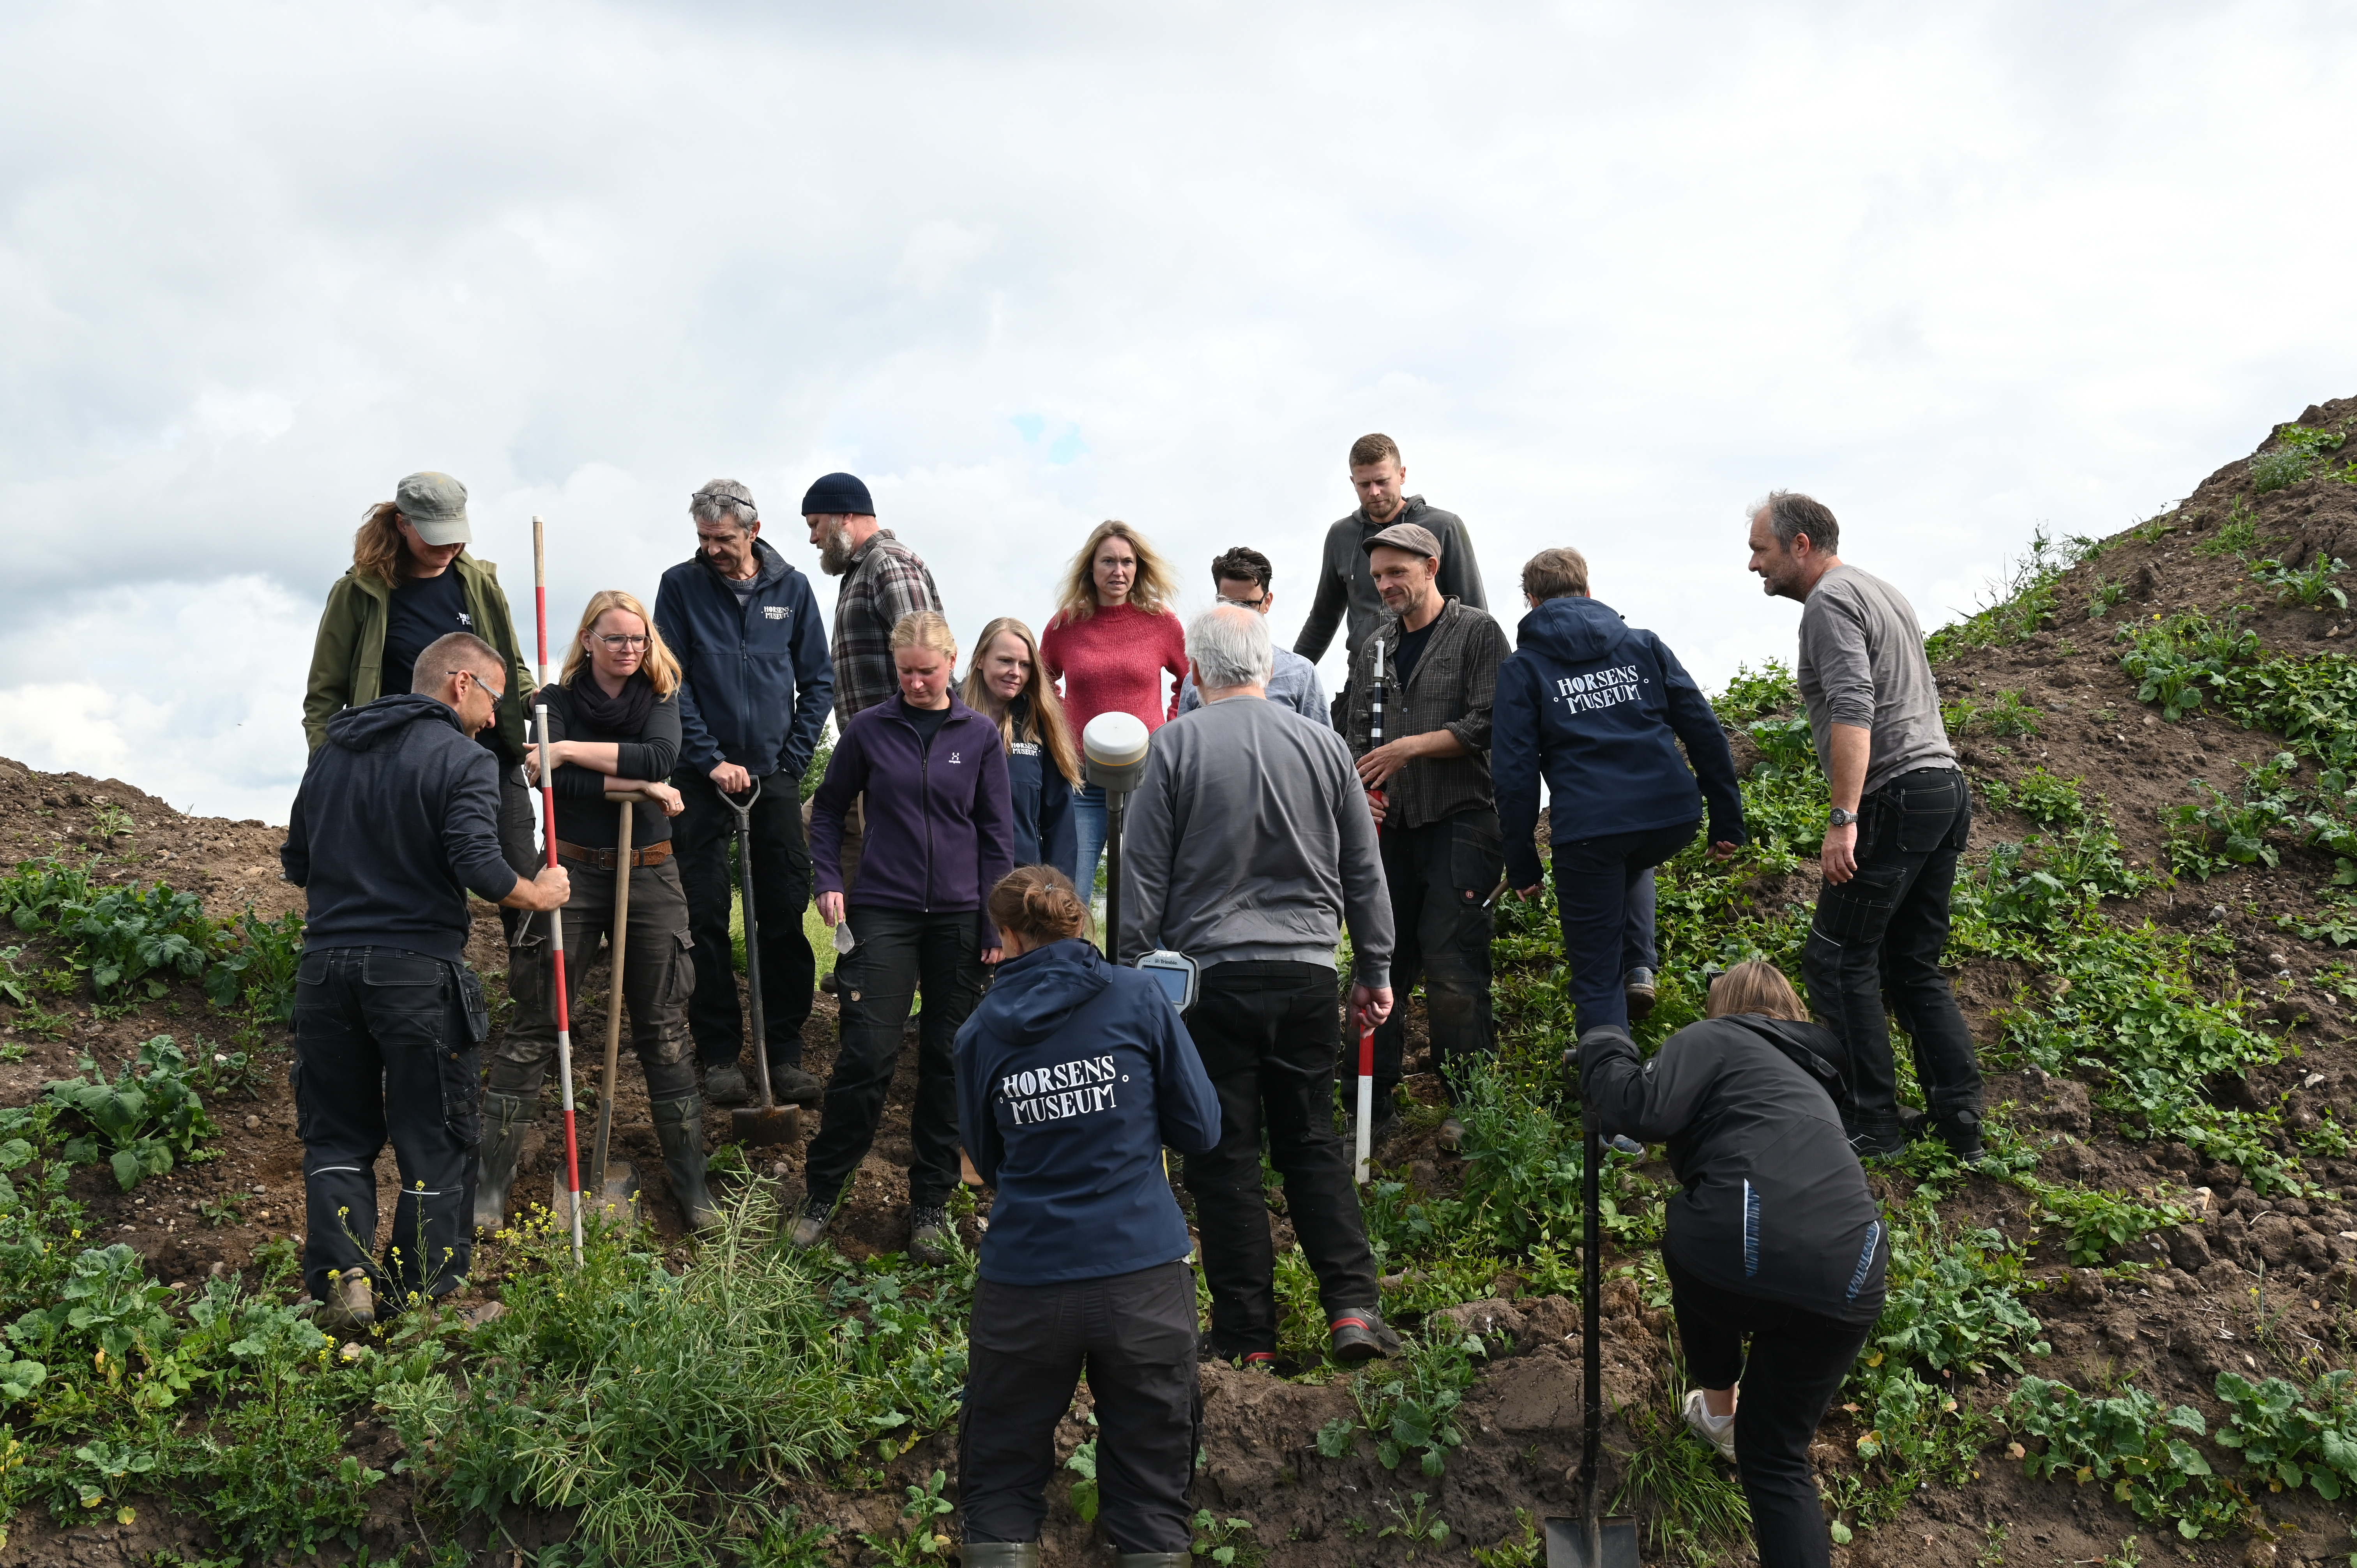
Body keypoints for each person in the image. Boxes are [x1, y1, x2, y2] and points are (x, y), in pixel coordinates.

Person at [1121, 604, 1401, 1367]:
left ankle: (1248, 1336)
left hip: (1213, 981)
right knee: (1313, 1142)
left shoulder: (1173, 747)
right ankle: (1351, 1309)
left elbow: (1141, 878)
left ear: (1199, 670)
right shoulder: (1323, 745)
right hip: (1309, 974)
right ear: (1268, 664)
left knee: (1226, 1156)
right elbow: (1363, 869)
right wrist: (1374, 966)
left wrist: (1133, 975)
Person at [281, 631, 572, 1330]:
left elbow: (298, 860)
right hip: (414, 973)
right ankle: (423, 1301)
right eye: (494, 701)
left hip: (326, 968)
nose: (492, 720)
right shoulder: (461, 758)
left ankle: (344, 1282)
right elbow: (477, 860)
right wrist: (537, 891)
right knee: (435, 1133)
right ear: (461, 683)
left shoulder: (332, 756)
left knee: (338, 1133)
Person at [953, 867, 1221, 1568]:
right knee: (1151, 1493)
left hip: (1024, 1282)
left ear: (1005, 935)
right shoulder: (1139, 995)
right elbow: (1200, 1128)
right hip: (1142, 1279)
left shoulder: (979, 1030)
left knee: (1000, 1479)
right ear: (1079, 923)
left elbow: (985, 1159)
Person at [1577, 960, 1881, 1568]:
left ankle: (1719, 1408)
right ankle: (1728, 1421)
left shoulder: (1719, 1036)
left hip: (1738, 1242)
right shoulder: (1819, 1074)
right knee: (1774, 1459)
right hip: (1854, 1271)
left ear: (1727, 1005)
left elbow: (1643, 1109)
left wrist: (1606, 1044)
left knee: (1700, 1245)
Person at [1746, 491, 1982, 1160]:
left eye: (1760, 550)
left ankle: (1872, 1122)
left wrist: (1843, 816)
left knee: (1836, 957)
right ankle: (1959, 1119)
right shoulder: (1880, 590)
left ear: (1799, 545)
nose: (1752, 565)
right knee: (1910, 963)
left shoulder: (1828, 601)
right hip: (1942, 784)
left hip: (1893, 792)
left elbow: (1855, 705)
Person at [479, 590, 716, 1232]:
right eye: (615, 639)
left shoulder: (661, 695)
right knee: (535, 1022)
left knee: (664, 1031)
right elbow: (546, 779)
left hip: (650, 873)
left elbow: (661, 759)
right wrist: (633, 784)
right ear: (588, 639)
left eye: (638, 638)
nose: (630, 650)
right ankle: (488, 1191)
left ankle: (693, 1190)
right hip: (572, 869)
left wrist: (568, 752)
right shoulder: (552, 702)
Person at [799, 611, 1014, 1261]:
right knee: (867, 1053)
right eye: (905, 672)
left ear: (952, 664)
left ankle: (929, 1204)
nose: (917, 682)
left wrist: (992, 922)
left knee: (949, 1059)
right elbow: (828, 807)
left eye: (928, 671)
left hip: (958, 917)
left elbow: (996, 834)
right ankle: (820, 1192)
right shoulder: (868, 729)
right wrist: (829, 877)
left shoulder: (978, 736)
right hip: (883, 908)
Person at [1496, 546, 1746, 1041]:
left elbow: (1514, 772)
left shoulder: (1523, 670)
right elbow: (1703, 728)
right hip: (1670, 817)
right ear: (1589, 592)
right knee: (1632, 854)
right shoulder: (1643, 645)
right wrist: (1726, 818)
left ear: (1531, 601)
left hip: (1591, 829)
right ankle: (1640, 968)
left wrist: (1523, 859)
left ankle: (1610, 1100)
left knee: (1593, 973)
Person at [654, 480, 834, 1109]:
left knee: (782, 912)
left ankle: (783, 1051)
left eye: (723, 539)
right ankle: (721, 1055)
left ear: (752, 531)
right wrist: (710, 760)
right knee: (702, 914)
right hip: (703, 782)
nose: (712, 550)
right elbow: (671, 681)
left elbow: (818, 681)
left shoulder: (791, 588)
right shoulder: (680, 586)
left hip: (773, 779)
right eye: (703, 539)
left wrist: (787, 763)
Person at [302, 472, 540, 941]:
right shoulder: (358, 593)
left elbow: (512, 667)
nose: (447, 547)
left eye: (455, 536)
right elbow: (324, 695)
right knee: (410, 881)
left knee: (521, 879)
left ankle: (532, 1011)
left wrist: (536, 699)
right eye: (434, 536)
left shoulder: (481, 583)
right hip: (401, 768)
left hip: (491, 756)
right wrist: (330, 765)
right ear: (402, 523)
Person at [1343, 522, 1511, 1152]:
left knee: (1452, 965)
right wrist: (1361, 791)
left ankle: (1469, 1103)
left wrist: (1409, 748)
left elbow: (1488, 720)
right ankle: (1369, 1107)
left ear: (1431, 566)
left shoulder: (1477, 633)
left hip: (1461, 819)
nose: (1385, 585)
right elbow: (1357, 734)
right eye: (1377, 576)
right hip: (1390, 830)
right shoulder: (1374, 648)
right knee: (1376, 962)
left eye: (1396, 572)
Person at [804, 471, 943, 899]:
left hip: (899, 754)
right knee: (813, 820)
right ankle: (860, 951)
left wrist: (919, 749)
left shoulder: (889, 565)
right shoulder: (861, 570)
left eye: (816, 525)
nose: (813, 539)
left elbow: (927, 656)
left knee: (889, 872)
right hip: (866, 752)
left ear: (846, 516)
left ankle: (882, 953)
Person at [1040, 520, 1189, 902]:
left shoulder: (1162, 623)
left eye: (1127, 562)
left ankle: (1146, 964)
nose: (1118, 571)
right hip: (1082, 778)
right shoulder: (1064, 626)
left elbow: (1190, 680)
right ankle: (1076, 963)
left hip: (1145, 775)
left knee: (1147, 889)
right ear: (1091, 567)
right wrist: (1061, 727)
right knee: (1071, 892)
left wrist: (1169, 727)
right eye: (1108, 561)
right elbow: (1042, 684)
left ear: (1139, 568)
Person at [1293, 433, 1488, 714]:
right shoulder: (1341, 536)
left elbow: (1473, 609)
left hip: (1435, 681)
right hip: (1363, 679)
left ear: (1402, 475)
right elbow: (1322, 620)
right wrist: (1286, 678)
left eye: (1382, 481)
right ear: (1353, 483)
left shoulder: (1444, 526)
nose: (1374, 492)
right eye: (1364, 484)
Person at [960, 617, 1082, 883]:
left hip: (1020, 882)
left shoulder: (1040, 726)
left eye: (1025, 665)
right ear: (981, 660)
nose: (1016, 672)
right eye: (1005, 661)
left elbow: (1059, 821)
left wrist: (1059, 890)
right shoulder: (949, 719)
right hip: (958, 880)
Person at [1175, 546, 1330, 725]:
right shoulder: (1198, 676)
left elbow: (1322, 745)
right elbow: (1183, 742)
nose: (1238, 613)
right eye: (1229, 604)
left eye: (1249, 604)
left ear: (1267, 602)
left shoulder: (1300, 674)